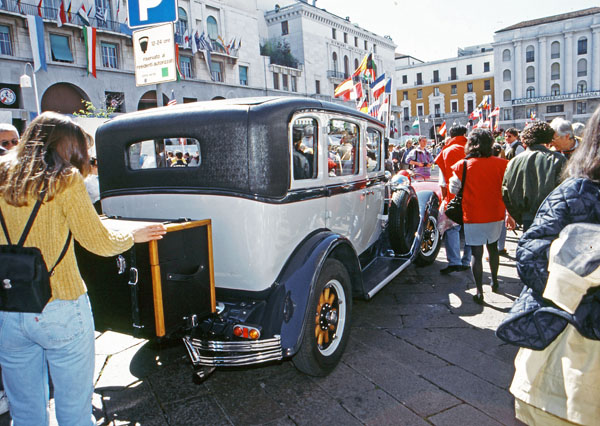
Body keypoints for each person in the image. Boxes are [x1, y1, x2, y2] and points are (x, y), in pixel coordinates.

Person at [0, 112, 166, 425]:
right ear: (66, 147)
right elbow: (99, 242)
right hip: (59, 304)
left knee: (24, 411)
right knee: (74, 410)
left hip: (9, 306)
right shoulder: (63, 179)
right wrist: (134, 235)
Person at [509, 105, 600, 425]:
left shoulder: (519, 160)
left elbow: (508, 192)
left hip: (532, 226)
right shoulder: (565, 171)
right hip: (574, 356)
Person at [449, 129, 508, 304]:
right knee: (493, 248)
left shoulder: (463, 165)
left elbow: (453, 189)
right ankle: (495, 282)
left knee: (477, 253)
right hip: (495, 212)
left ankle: (480, 291)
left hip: (473, 213)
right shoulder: (502, 164)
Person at [502, 121, 566, 232]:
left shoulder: (513, 162)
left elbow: (506, 192)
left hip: (527, 217)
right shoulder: (558, 159)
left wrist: (519, 216)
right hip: (552, 217)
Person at [434, 125, 471, 274]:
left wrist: (444, 198)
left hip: (453, 195)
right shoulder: (473, 149)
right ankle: (467, 261)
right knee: (470, 229)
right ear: (465, 134)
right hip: (473, 195)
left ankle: (454, 261)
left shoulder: (446, 151)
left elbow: (443, 180)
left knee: (452, 228)